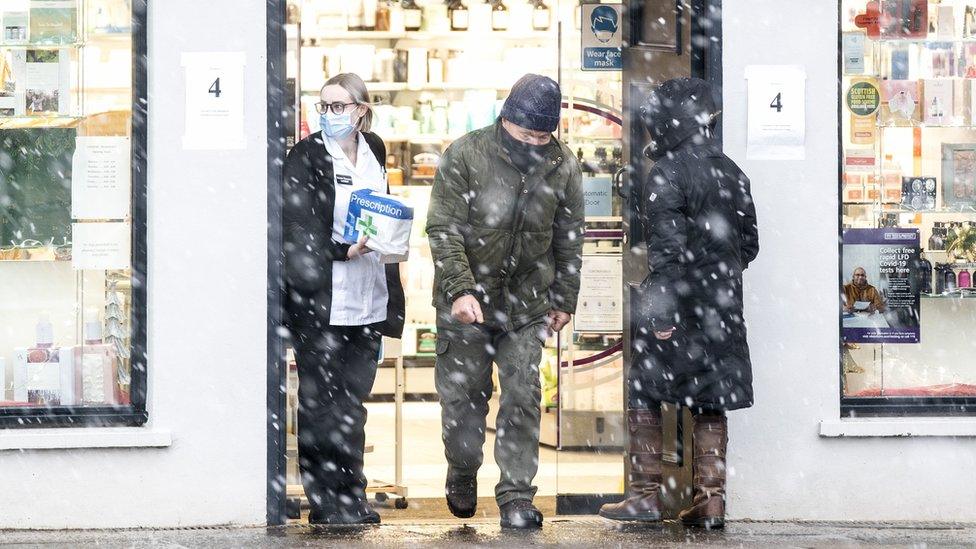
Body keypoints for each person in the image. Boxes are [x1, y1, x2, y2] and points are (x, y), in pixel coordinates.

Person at [599, 77, 759, 529]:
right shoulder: (733, 172)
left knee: (643, 392)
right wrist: (717, 277)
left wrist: (665, 312)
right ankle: (711, 503)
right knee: (711, 401)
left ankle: (645, 497)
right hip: (722, 310)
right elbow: (749, 245)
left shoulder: (666, 174)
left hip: (677, 306)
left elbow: (665, 254)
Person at [426, 73, 584, 529]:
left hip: (527, 302)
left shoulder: (563, 165)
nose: (535, 142)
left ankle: (516, 495)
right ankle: (462, 467)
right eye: (527, 133)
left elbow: (569, 238)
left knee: (522, 396)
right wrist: (459, 288)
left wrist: (564, 298)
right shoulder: (466, 154)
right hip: (466, 304)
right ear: (506, 119)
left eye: (543, 134)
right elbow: (443, 229)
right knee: (463, 401)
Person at [282, 73, 405, 525]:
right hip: (323, 300)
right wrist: (341, 249)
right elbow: (295, 228)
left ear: (361, 110)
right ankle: (324, 500)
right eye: (324, 106)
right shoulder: (306, 155)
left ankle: (353, 493)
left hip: (369, 296)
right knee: (320, 403)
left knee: (353, 403)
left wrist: (392, 238)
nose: (329, 114)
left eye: (338, 106)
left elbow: (381, 208)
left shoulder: (376, 150)